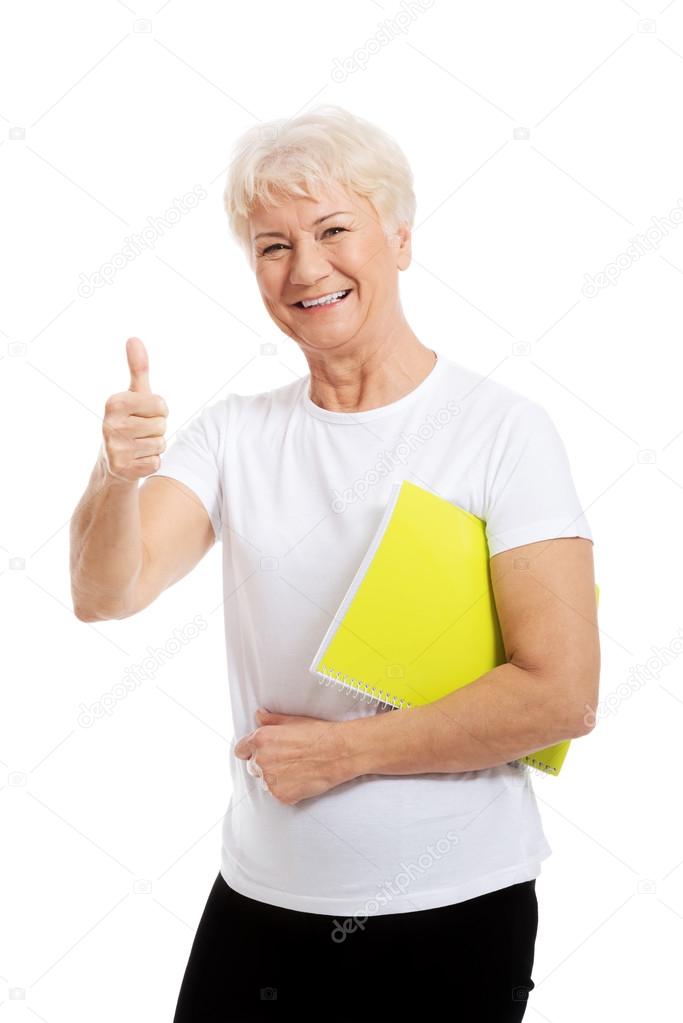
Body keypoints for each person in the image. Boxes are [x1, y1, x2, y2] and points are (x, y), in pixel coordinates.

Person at [69, 104, 600, 1022]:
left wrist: (342, 753)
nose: (306, 267)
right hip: (262, 899)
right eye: (272, 244)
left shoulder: (502, 431)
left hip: (454, 908)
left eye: (333, 229)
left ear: (398, 237)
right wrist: (116, 476)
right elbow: (105, 593)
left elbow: (560, 694)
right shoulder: (235, 433)